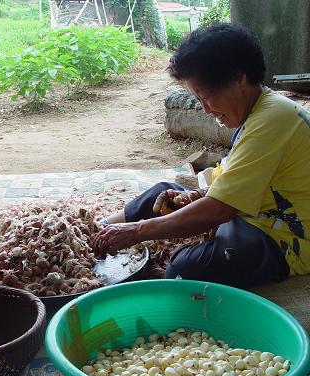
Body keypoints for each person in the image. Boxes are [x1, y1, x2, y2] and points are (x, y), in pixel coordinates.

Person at [93, 23, 310, 289]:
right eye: (199, 100)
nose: (206, 109)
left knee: (184, 269)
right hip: (249, 214)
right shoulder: (259, 110)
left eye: (206, 97)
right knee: (161, 192)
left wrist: (139, 231)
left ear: (239, 80)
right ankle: (95, 235)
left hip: (283, 237)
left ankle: (125, 240)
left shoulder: (272, 120)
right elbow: (235, 178)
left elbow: (220, 209)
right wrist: (198, 194)